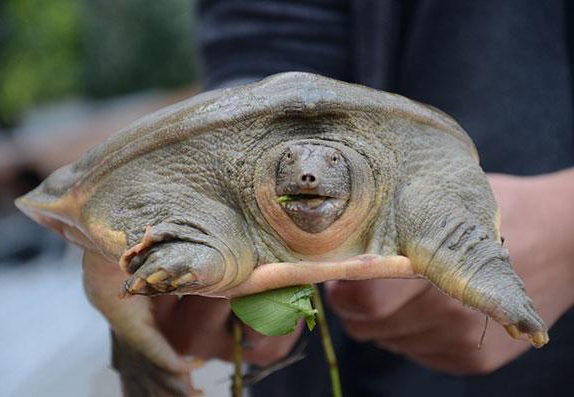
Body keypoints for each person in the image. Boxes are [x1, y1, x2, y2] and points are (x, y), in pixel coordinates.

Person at [155, 1, 574, 395]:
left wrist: (565, 228)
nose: (308, 175)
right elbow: (271, 30)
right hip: (318, 360)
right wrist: (228, 178)